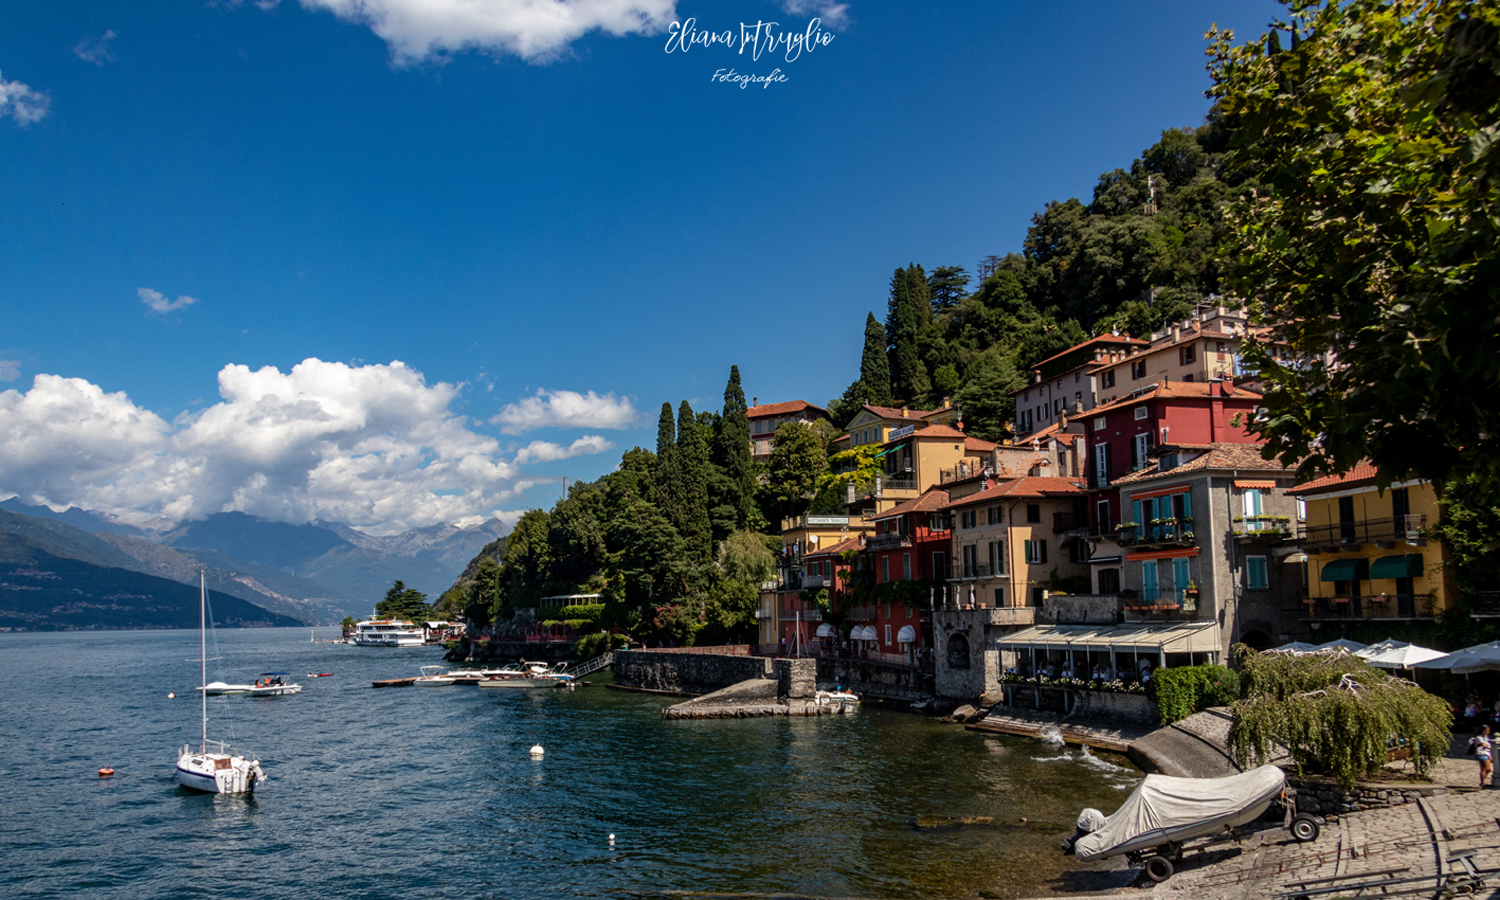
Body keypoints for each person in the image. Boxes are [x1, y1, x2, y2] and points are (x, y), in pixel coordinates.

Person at [1469, 725, 1493, 789]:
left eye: (1488, 731)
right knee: (1487, 768)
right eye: (1486, 731)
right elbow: (1484, 745)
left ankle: (1482, 782)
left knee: (1485, 769)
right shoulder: (1479, 737)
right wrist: (1492, 748)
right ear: (1482, 730)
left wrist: (1490, 754)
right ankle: (1482, 783)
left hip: (1487, 753)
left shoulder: (1486, 737)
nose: (1487, 732)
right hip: (1481, 753)